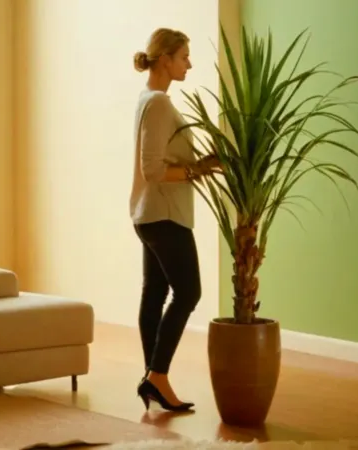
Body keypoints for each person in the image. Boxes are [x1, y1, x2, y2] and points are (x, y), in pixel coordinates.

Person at [129, 28, 219, 412]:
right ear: (164, 59)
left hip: (149, 213)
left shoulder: (148, 99)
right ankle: (157, 376)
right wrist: (198, 170)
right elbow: (152, 170)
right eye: (184, 56)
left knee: (155, 292)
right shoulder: (160, 104)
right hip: (164, 214)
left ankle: (153, 378)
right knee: (189, 292)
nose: (189, 63)